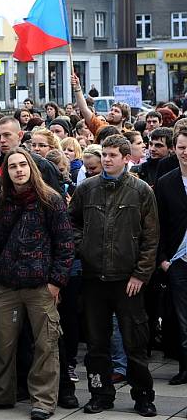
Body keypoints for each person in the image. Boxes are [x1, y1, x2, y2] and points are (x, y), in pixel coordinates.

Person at [0, 148, 74, 420]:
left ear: (31, 168)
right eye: (13, 166)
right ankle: (0, 394)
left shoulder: (50, 200)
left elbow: (65, 244)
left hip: (41, 284)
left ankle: (42, 401)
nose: (18, 170)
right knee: (3, 342)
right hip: (6, 284)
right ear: (5, 172)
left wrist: (56, 282)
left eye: (22, 165)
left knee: (45, 344)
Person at [69, 134, 158, 416]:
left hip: (128, 280)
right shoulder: (87, 188)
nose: (106, 160)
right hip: (94, 279)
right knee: (96, 344)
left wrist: (140, 275)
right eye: (104, 155)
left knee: (135, 342)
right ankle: (100, 394)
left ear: (126, 158)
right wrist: (84, 246)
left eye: (112, 155)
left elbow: (151, 238)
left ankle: (143, 396)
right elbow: (71, 222)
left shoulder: (141, 191)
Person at [154, 127, 187, 385]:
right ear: (175, 149)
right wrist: (163, 259)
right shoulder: (166, 183)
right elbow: (158, 225)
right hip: (177, 262)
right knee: (182, 319)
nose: (186, 153)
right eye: (182, 148)